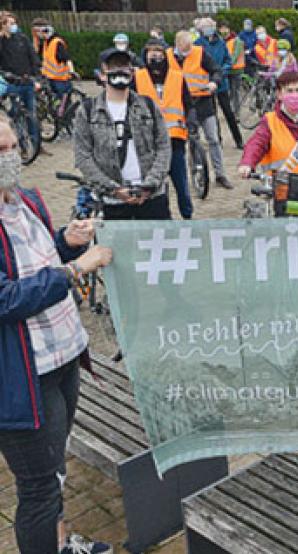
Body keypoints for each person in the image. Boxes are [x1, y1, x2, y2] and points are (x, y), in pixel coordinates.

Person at [0, 113, 116, 554]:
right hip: (21, 378)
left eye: (13, 146)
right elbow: (7, 298)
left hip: (63, 355)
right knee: (38, 488)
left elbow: (37, 256)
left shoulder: (25, 199)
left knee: (55, 470)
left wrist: (66, 240)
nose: (10, 157)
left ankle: (62, 543)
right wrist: (75, 269)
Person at [73, 48, 172, 220]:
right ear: (102, 74)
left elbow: (164, 146)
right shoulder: (88, 111)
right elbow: (83, 157)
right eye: (113, 67)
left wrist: (150, 185)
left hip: (152, 198)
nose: (120, 71)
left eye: (124, 66)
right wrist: (114, 189)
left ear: (132, 72)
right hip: (111, 202)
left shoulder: (148, 106)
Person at [238, 71, 298, 207]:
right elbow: (257, 143)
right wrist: (247, 163)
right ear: (279, 94)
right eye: (289, 91)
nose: (295, 95)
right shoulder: (270, 121)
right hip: (281, 192)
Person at [135, 39, 195, 220]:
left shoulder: (177, 77)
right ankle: (163, 218)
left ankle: (187, 216)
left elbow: (188, 104)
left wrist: (191, 121)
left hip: (174, 140)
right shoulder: (137, 78)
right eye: (151, 55)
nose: (156, 59)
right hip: (147, 143)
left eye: (159, 54)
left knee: (181, 184)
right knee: (154, 186)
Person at [171, 31, 231, 189]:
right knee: (192, 139)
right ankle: (197, 173)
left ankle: (220, 174)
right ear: (177, 45)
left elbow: (216, 70)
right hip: (183, 105)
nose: (188, 51)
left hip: (204, 102)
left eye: (189, 47)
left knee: (213, 139)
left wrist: (214, 82)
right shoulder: (168, 57)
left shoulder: (200, 53)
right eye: (185, 48)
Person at [196, 18, 244, 150]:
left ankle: (238, 140)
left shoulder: (221, 43)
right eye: (205, 27)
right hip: (207, 83)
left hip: (221, 82)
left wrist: (222, 71)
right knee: (212, 114)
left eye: (210, 26)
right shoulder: (198, 44)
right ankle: (218, 140)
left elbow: (228, 60)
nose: (208, 29)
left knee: (228, 112)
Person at [0, 12, 41, 146]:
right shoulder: (2, 42)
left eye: (14, 23)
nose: (14, 26)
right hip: (12, 83)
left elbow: (33, 57)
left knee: (32, 114)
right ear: (3, 25)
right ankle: (22, 144)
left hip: (27, 81)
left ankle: (35, 143)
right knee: (16, 114)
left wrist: (36, 78)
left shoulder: (22, 39)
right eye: (10, 23)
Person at [36, 20, 75, 103]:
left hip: (60, 79)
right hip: (49, 78)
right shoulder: (45, 43)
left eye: (42, 32)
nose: (41, 35)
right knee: (55, 101)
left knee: (63, 102)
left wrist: (72, 71)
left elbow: (67, 58)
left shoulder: (57, 43)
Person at [220, 20, 246, 116]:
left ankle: (237, 113)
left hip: (236, 70)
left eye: (225, 28)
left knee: (235, 93)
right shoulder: (221, 41)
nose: (223, 30)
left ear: (229, 29)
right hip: (226, 71)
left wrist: (226, 65)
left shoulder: (237, 40)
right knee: (228, 93)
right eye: (221, 28)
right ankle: (230, 111)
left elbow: (235, 55)